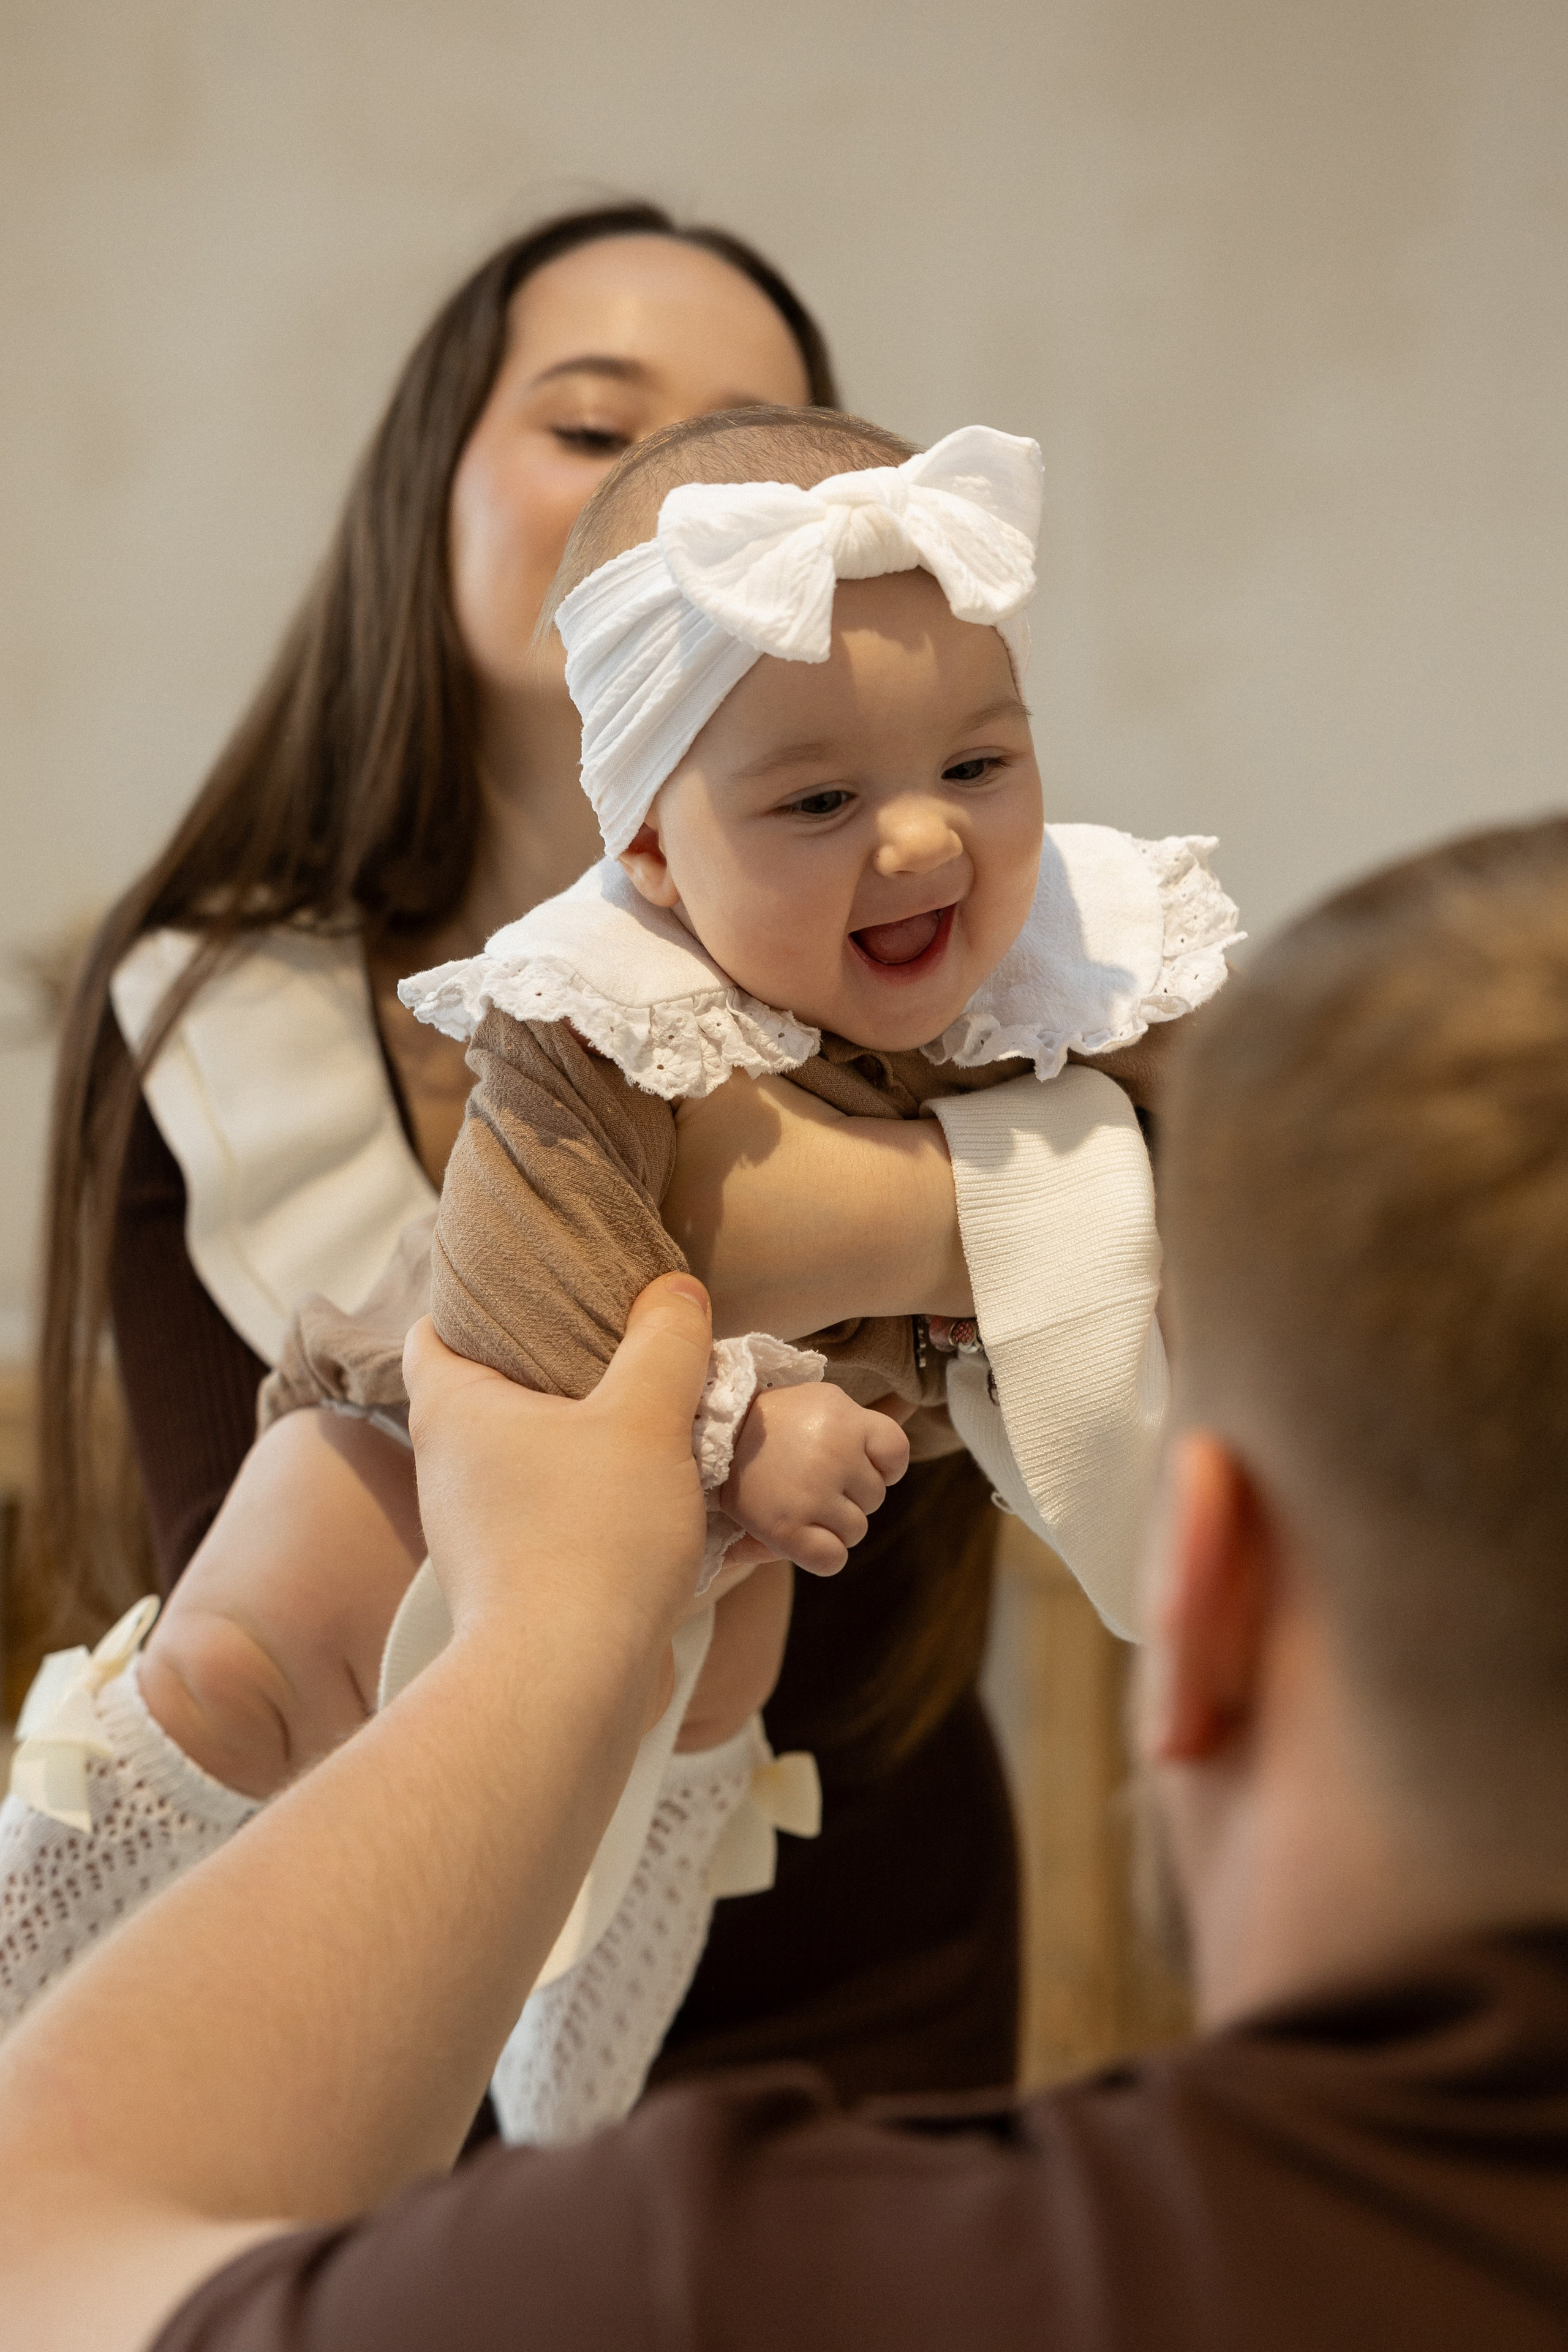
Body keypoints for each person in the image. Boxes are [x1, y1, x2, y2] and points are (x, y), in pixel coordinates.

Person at [9, 815, 1568, 2351]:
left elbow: (40, 2261)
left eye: (970, 758)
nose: (905, 835)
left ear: (1205, 1591)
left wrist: (552, 1631)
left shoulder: (755, 2283)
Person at [11, 406, 1229, 2138]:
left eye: (979, 765)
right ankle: (26, 1981)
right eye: (820, 799)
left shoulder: (1079, 955)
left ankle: (556, 2135)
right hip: (419, 1456)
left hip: (703, 1555)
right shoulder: (596, 1010)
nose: (922, 842)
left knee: (685, 1742)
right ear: (654, 847)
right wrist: (747, 1423)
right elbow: (532, 1333)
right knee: (251, 1673)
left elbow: (1247, 1175)